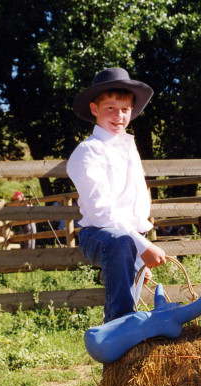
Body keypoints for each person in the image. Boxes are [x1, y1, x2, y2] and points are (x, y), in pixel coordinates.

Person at [67, 67, 167, 324]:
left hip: (130, 237)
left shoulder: (128, 147)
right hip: (100, 235)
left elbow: (137, 198)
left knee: (129, 269)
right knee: (121, 243)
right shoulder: (89, 151)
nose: (118, 115)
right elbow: (102, 212)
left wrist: (140, 243)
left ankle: (124, 339)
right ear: (94, 109)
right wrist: (142, 246)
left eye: (125, 109)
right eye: (110, 108)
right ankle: (120, 324)